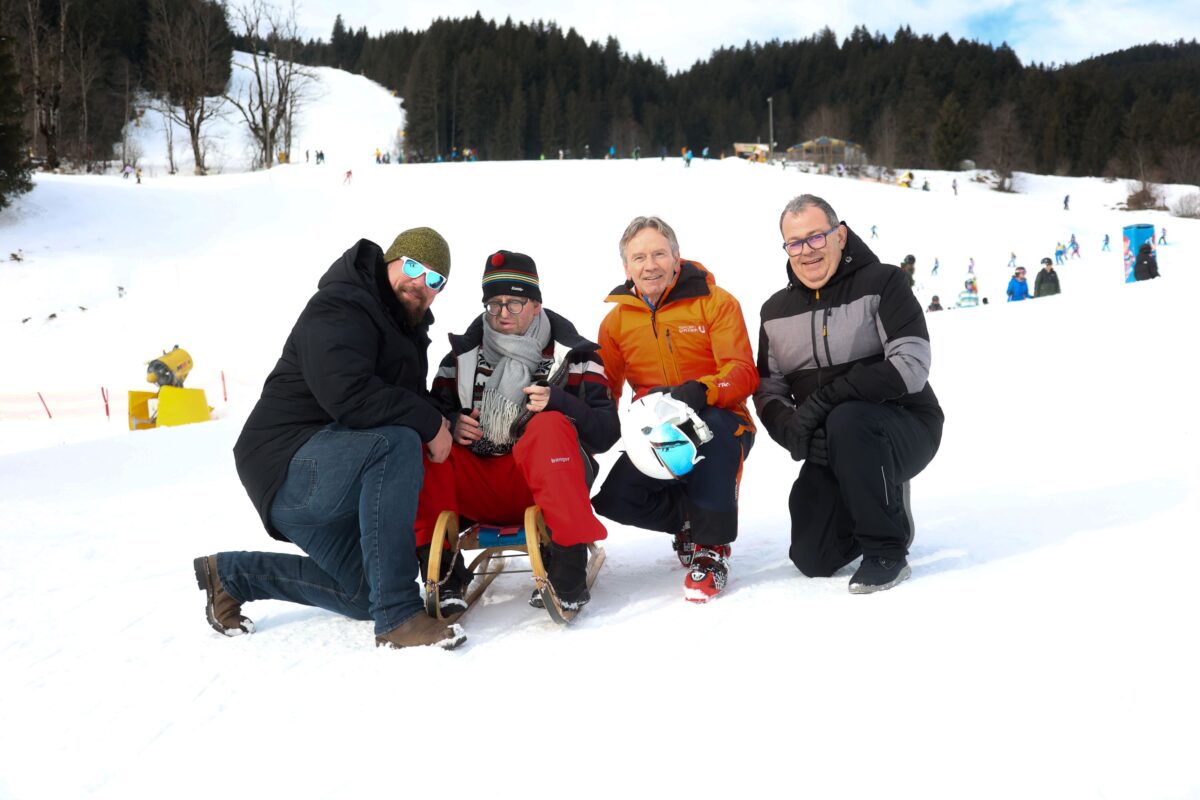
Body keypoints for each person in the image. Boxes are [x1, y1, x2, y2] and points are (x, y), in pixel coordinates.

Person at [194, 228, 466, 650]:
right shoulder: (341, 304)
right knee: (396, 443)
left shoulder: (405, 330)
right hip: (286, 459)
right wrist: (429, 424)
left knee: (363, 593)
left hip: (329, 465)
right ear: (390, 261)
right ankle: (398, 616)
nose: (420, 283)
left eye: (435, 279)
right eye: (413, 266)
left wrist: (447, 419)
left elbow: (405, 399)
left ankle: (233, 577)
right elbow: (349, 395)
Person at [754, 194, 943, 593]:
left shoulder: (884, 282)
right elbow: (769, 391)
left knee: (848, 417)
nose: (807, 251)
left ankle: (887, 550)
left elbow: (911, 364)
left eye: (816, 237)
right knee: (813, 557)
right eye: (795, 243)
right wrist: (795, 432)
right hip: (833, 442)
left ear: (839, 236)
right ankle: (877, 497)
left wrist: (824, 401)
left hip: (905, 426)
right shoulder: (775, 312)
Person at [415, 250, 619, 612]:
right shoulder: (460, 359)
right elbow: (433, 410)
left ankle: (567, 570)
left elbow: (606, 433)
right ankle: (444, 574)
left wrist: (559, 401)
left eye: (514, 303)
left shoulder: (578, 357)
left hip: (545, 483)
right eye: (494, 304)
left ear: (536, 305)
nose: (503, 313)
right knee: (426, 439)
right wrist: (449, 421)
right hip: (479, 483)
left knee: (549, 425)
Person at [591, 216, 758, 602]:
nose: (650, 265)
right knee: (616, 498)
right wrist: (588, 434)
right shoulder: (615, 323)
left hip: (721, 418)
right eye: (639, 258)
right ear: (626, 267)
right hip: (656, 432)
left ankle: (712, 548)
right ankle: (689, 524)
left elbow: (744, 372)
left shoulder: (715, 302)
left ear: (676, 257)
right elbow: (605, 392)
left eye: (659, 254)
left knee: (710, 431)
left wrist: (703, 390)